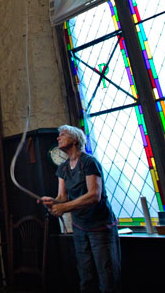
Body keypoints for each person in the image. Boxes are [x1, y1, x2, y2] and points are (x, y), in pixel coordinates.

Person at [39, 125, 121, 293]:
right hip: (80, 227)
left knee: (107, 274)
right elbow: (62, 197)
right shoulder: (62, 168)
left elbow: (94, 196)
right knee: (85, 274)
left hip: (99, 226)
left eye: (62, 134)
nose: (58, 138)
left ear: (75, 139)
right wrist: (53, 201)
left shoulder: (89, 162)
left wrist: (63, 207)